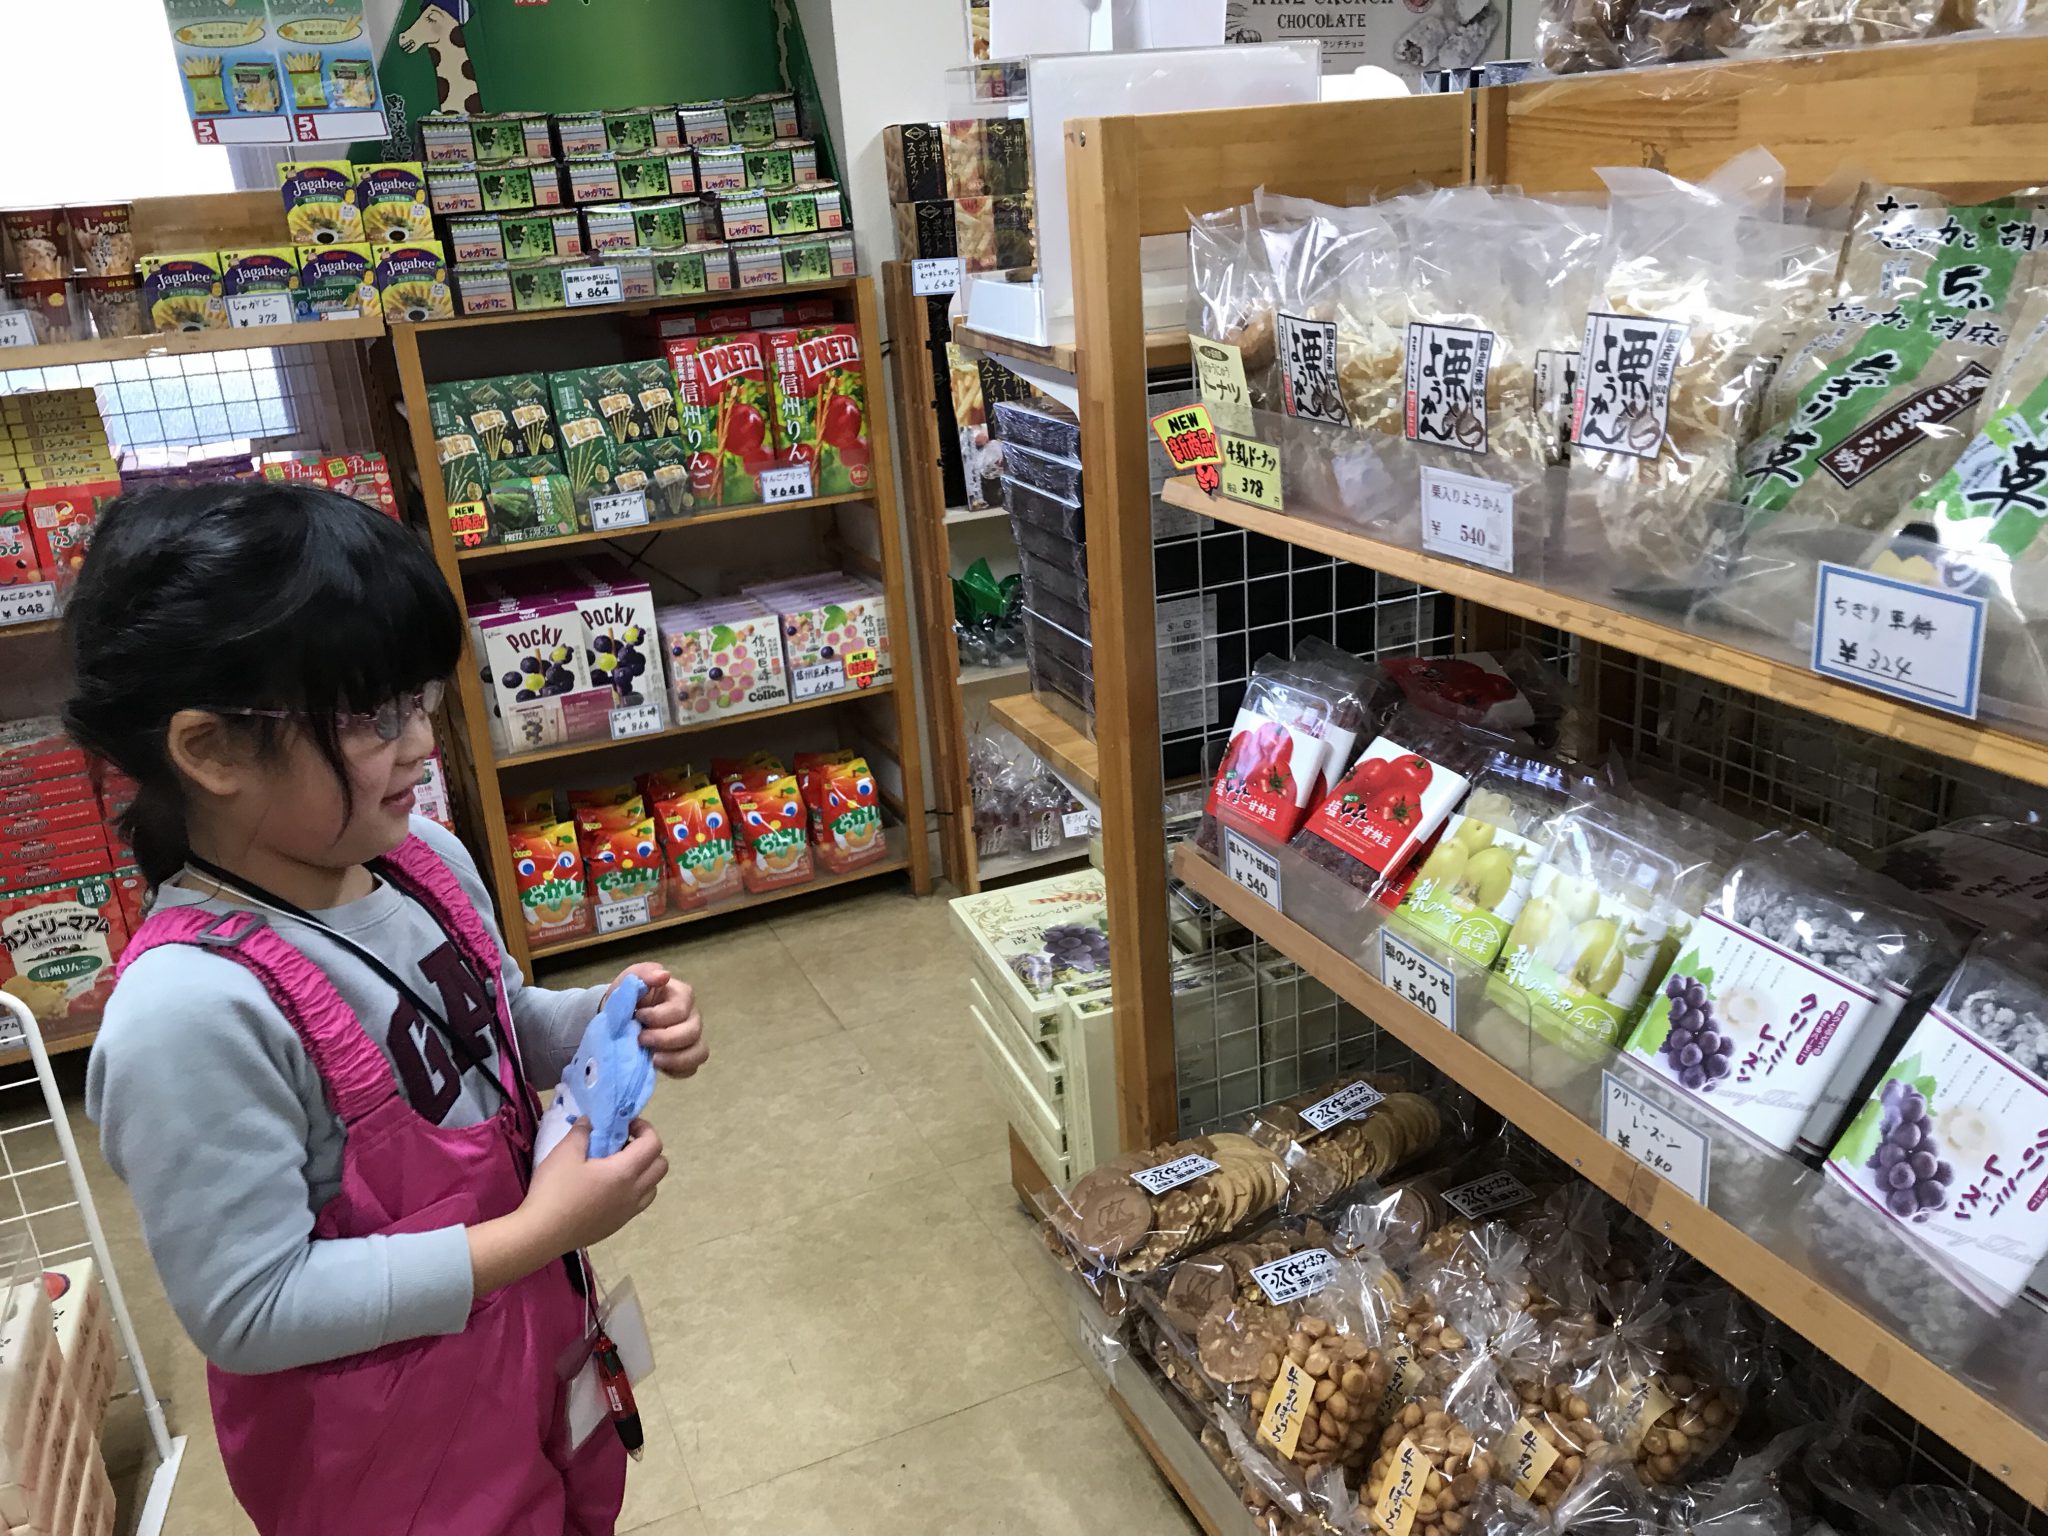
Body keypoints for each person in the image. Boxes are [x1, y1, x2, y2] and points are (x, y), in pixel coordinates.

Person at [69, 482, 707, 1536]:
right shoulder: (188, 1013)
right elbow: (252, 1307)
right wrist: (538, 1232)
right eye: (374, 717)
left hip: (527, 1356)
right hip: (386, 1457)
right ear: (211, 750)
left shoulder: (424, 863)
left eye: (420, 698)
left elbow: (493, 1023)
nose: (420, 743)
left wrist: (604, 1019)